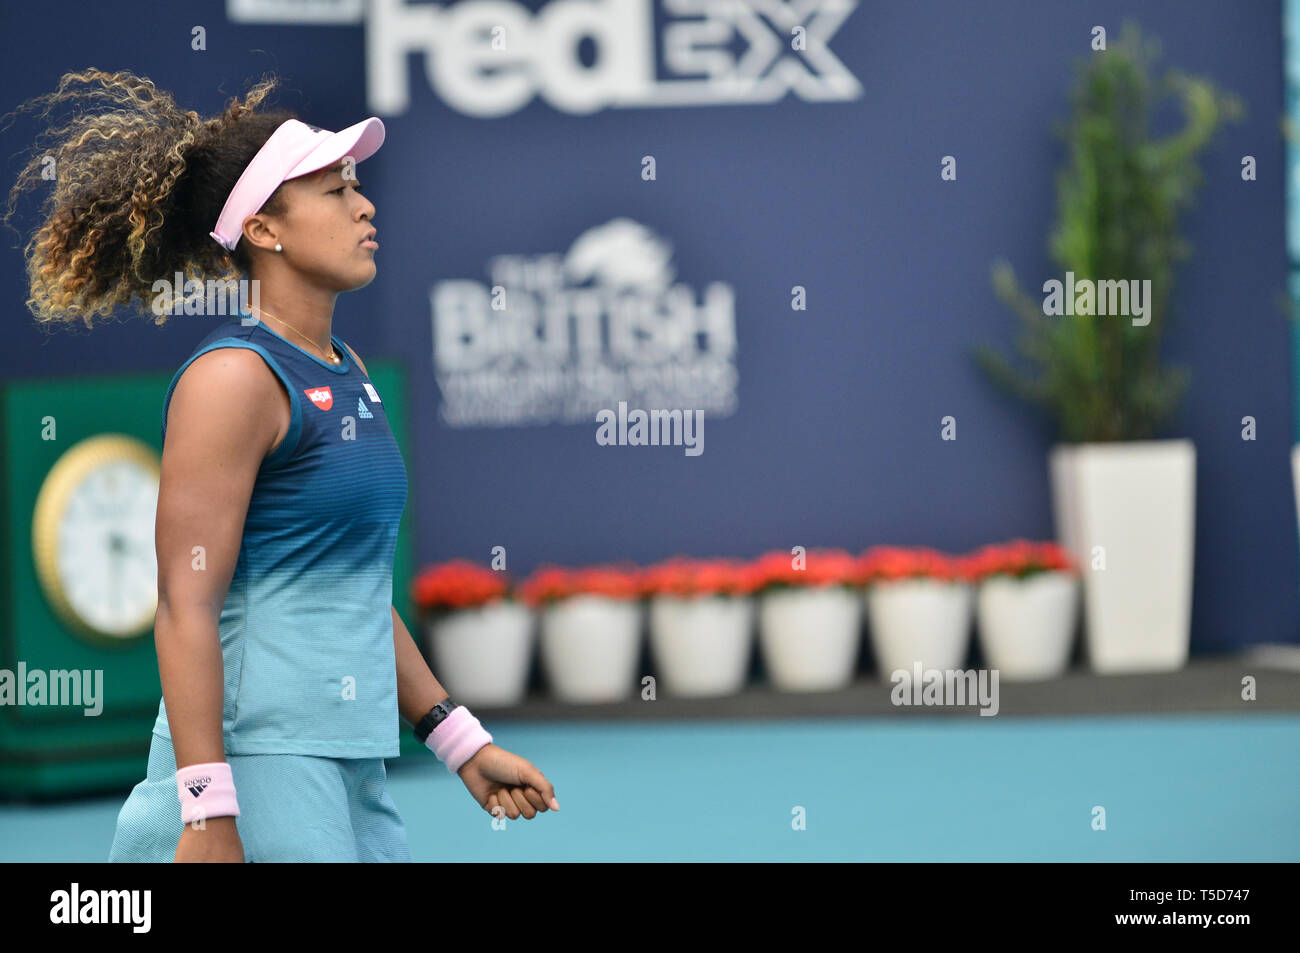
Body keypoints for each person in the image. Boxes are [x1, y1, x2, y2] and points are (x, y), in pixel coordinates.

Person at [5, 68, 557, 862]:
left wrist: (459, 740)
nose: (365, 205)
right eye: (334, 192)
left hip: (349, 760)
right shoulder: (231, 380)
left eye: (356, 187)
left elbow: (355, 592)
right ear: (265, 230)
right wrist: (205, 808)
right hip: (256, 762)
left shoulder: (345, 368)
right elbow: (184, 603)